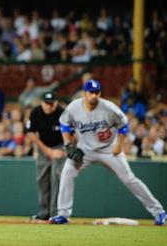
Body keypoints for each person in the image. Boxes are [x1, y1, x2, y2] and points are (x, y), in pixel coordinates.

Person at [50, 80, 166, 226]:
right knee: (67, 173)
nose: (94, 95)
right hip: (85, 149)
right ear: (84, 93)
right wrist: (68, 144)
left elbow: (124, 125)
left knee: (130, 179)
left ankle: (159, 212)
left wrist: (119, 144)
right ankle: (63, 215)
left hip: (109, 149)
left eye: (97, 92)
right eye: (91, 92)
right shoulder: (74, 107)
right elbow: (64, 124)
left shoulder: (109, 108)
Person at [25, 91, 65, 221]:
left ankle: (55, 213)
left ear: (56, 103)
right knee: (42, 180)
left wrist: (64, 149)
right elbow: (31, 134)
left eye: (52, 103)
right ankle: (44, 212)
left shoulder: (62, 113)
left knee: (56, 178)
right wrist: (46, 150)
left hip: (60, 147)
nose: (49, 106)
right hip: (43, 147)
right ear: (42, 103)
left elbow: (72, 133)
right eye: (46, 103)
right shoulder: (36, 112)